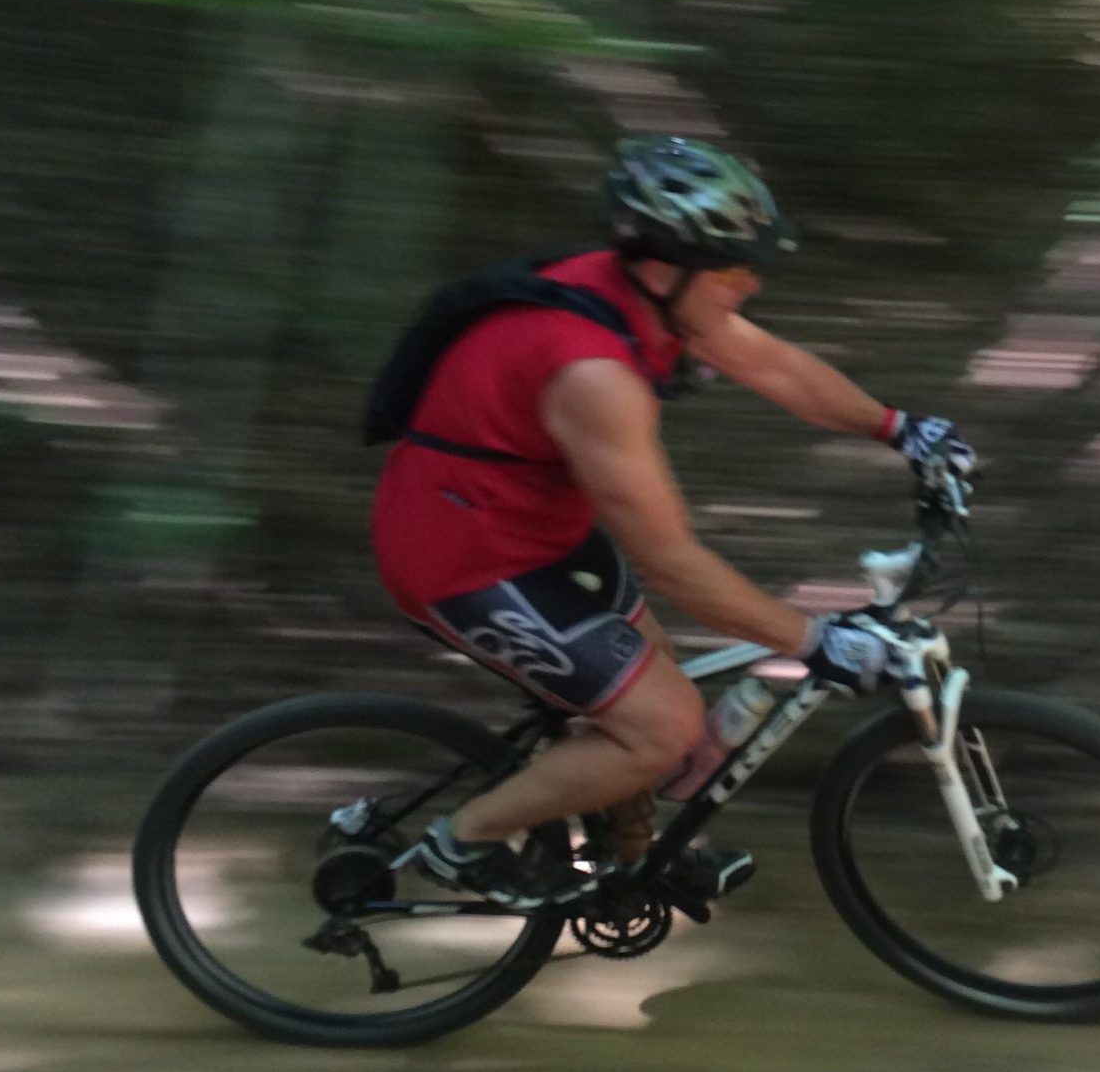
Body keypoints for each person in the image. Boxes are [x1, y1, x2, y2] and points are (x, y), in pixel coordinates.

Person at [367, 134, 977, 909]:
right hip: (463, 557)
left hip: (537, 530)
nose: (749, 282)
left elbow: (778, 366)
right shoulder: (593, 373)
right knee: (662, 727)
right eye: (731, 267)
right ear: (663, 267)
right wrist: (817, 641)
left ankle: (632, 863)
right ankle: (465, 843)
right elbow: (673, 561)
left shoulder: (651, 295)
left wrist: (899, 428)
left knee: (654, 696)